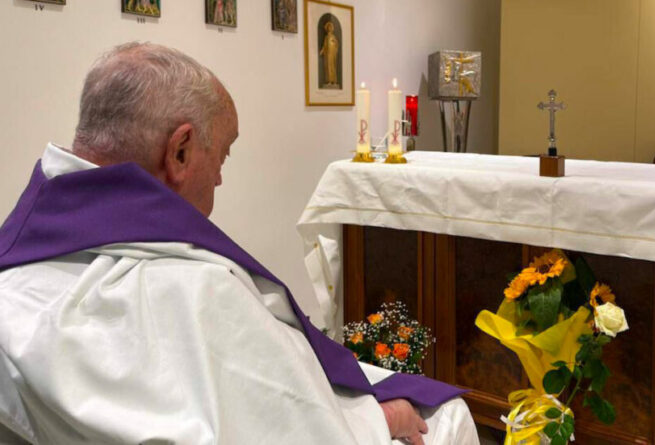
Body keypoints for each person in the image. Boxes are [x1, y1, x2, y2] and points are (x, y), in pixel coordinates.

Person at [0, 42, 478, 444]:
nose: (222, 179)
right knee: (449, 416)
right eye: (222, 154)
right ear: (181, 151)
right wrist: (377, 420)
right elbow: (289, 425)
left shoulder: (17, 264)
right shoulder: (198, 289)